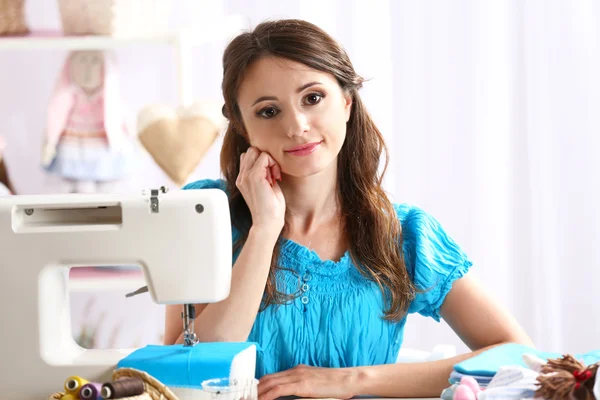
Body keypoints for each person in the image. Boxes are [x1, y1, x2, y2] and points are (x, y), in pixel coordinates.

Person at [164, 19, 533, 399]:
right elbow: (182, 378)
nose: (297, 126)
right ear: (243, 127)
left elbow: (519, 356)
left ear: (346, 101)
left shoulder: (405, 234)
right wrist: (264, 229)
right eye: (269, 112)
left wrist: (350, 380)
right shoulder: (205, 214)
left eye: (312, 98)